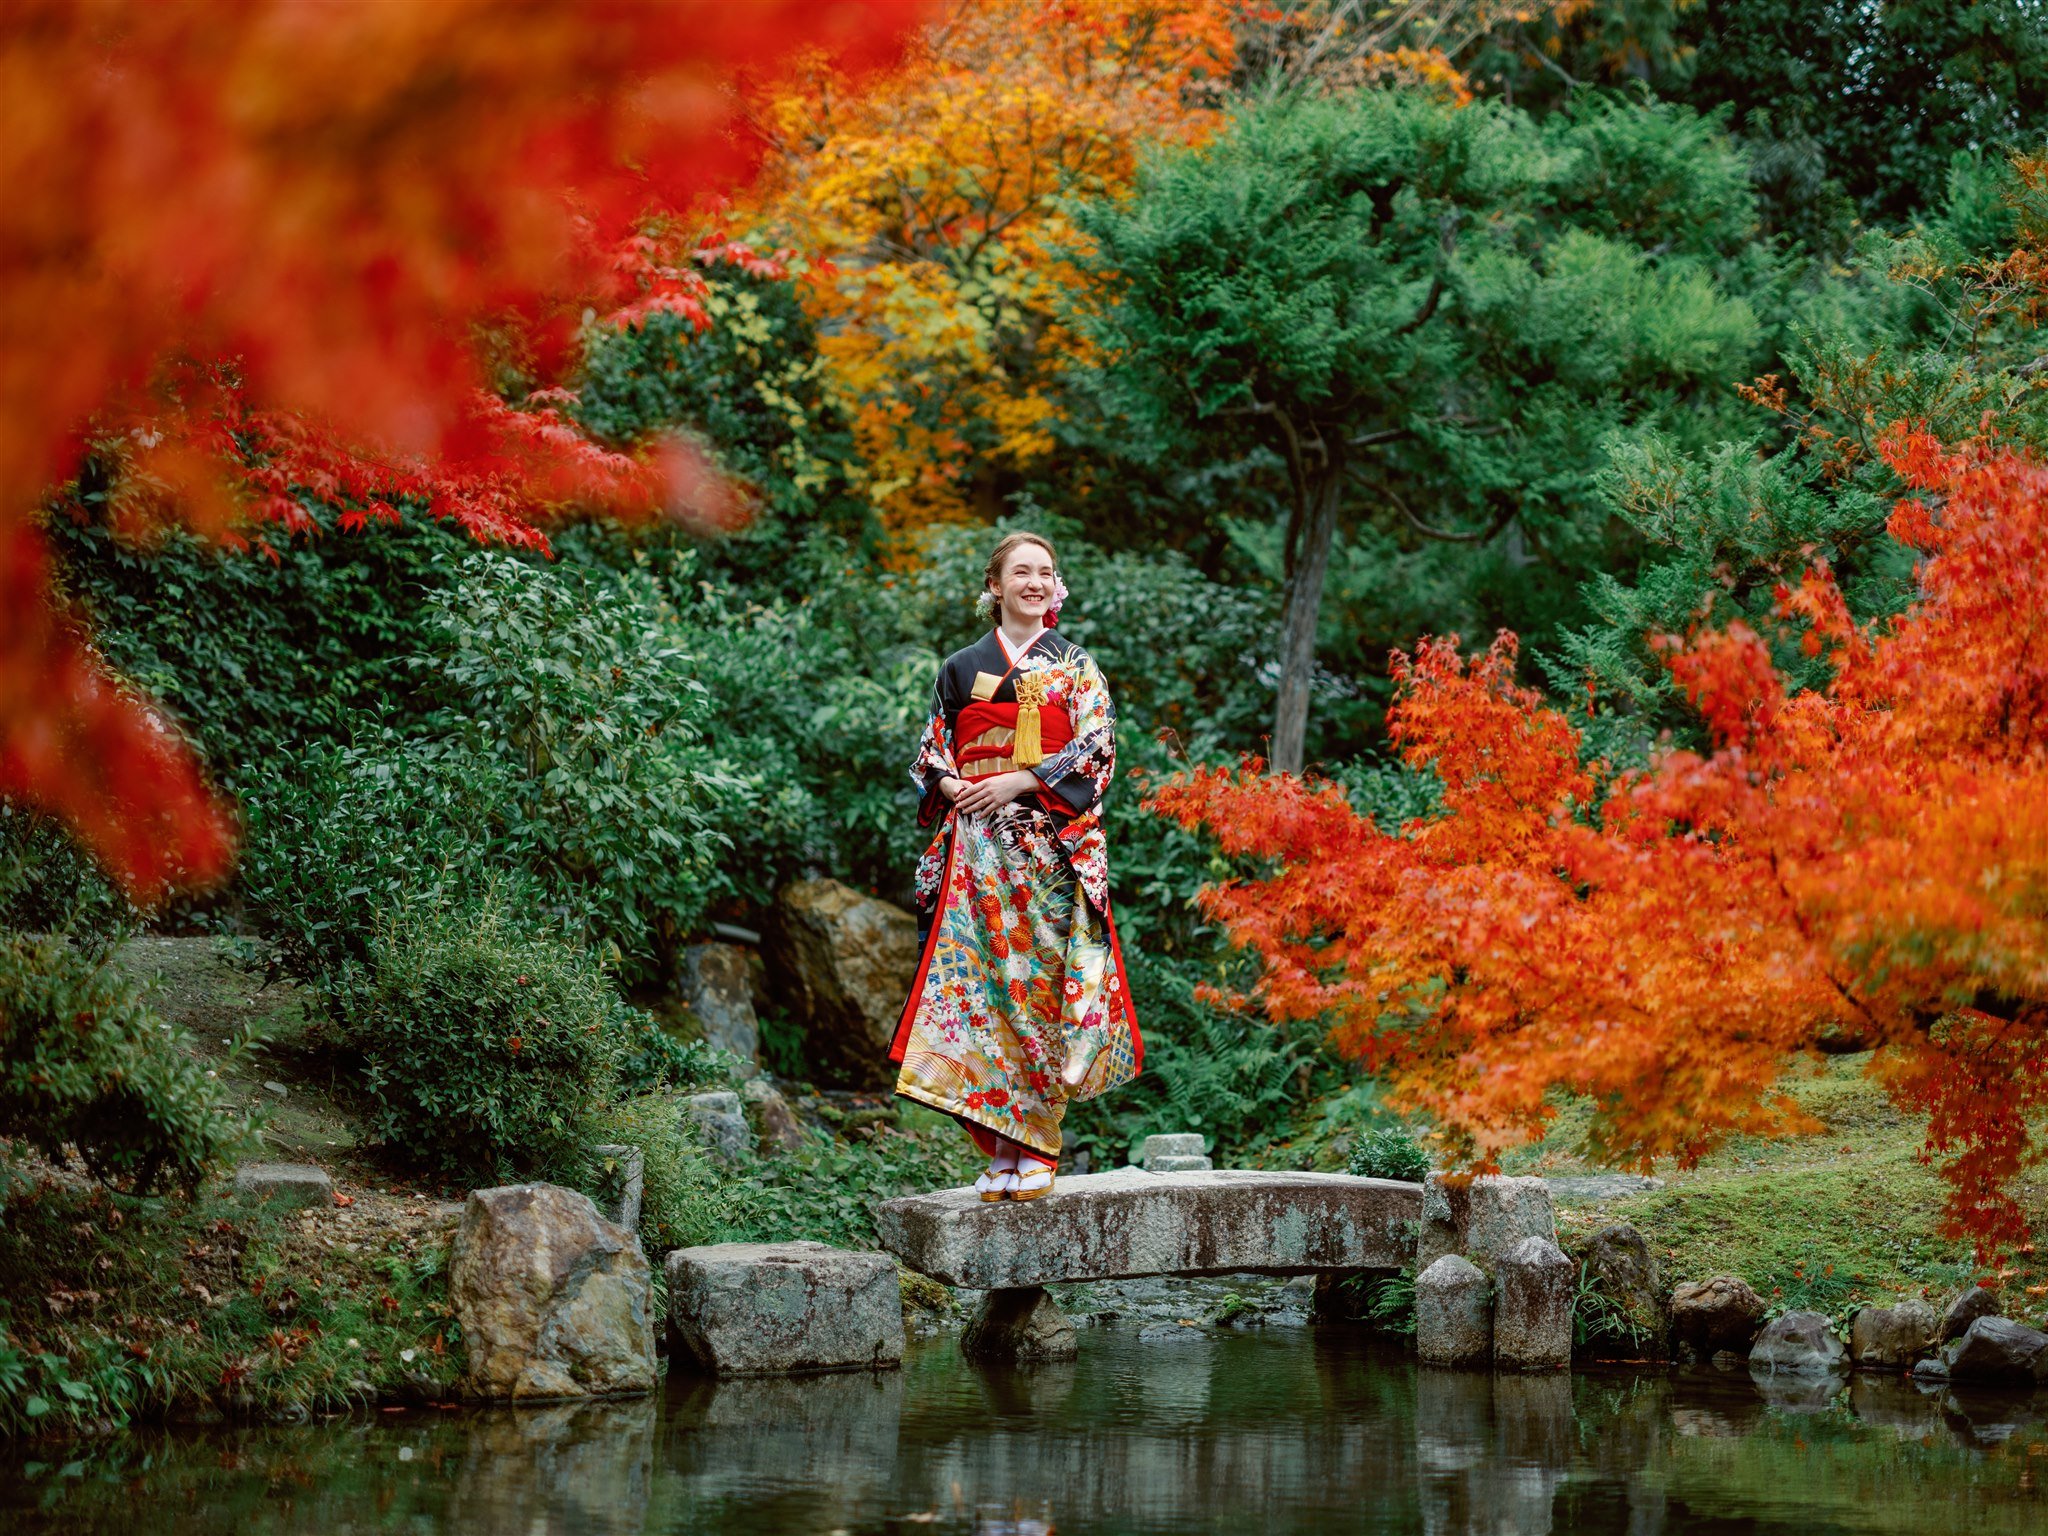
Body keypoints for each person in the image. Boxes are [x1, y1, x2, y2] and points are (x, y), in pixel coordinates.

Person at [887, 532, 1142, 1201]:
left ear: (1054, 588)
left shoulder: (1075, 666)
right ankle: (1001, 1146)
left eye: (1045, 572)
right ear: (995, 586)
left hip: (1046, 851)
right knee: (983, 992)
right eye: (1020, 571)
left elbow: (1098, 748)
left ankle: (1036, 1145)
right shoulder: (959, 665)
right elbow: (931, 750)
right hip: (975, 853)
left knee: (1038, 990)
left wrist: (1019, 781)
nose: (1034, 581)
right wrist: (950, 786)